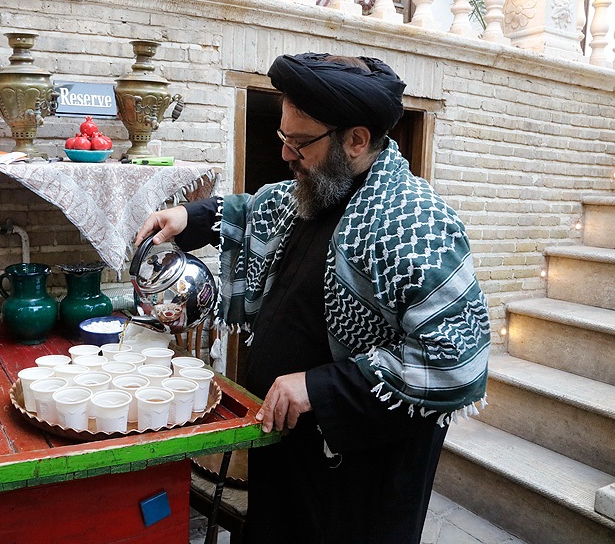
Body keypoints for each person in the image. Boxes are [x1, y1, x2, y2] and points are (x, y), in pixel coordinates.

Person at [134, 53, 491, 544]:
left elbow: (456, 364)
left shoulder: (416, 224)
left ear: (356, 139)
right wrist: (187, 218)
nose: (285, 153)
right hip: (289, 448)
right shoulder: (321, 188)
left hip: (355, 476)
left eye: (299, 142)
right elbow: (256, 208)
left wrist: (319, 388)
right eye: (283, 137)